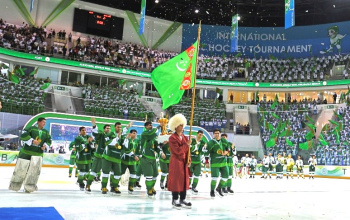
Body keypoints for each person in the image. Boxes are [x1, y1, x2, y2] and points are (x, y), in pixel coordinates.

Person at [9, 117, 51, 193]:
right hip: (26, 152)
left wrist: (45, 146)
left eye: (45, 122)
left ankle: (30, 187)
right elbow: (23, 136)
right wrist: (32, 141)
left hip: (38, 154)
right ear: (38, 122)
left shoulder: (46, 132)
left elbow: (49, 140)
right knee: (20, 169)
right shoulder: (31, 128)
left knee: (34, 172)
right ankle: (15, 185)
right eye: (43, 122)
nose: (44, 124)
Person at [167, 114, 192, 209]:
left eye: (182, 125)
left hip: (184, 162)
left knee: (184, 180)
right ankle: (175, 199)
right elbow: (177, 151)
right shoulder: (172, 138)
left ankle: (183, 198)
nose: (182, 127)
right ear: (175, 127)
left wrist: (189, 160)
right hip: (176, 161)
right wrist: (186, 144)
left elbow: (188, 152)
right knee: (176, 180)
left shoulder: (185, 137)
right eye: (180, 125)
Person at [85, 119, 111, 192]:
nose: (108, 130)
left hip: (107, 158)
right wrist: (94, 125)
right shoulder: (101, 134)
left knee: (106, 173)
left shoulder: (112, 136)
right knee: (93, 172)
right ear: (104, 129)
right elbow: (95, 133)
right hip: (99, 156)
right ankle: (88, 185)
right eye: (107, 128)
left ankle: (103, 187)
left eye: (109, 128)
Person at [140, 121, 160, 198]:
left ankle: (151, 187)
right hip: (146, 157)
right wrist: (158, 127)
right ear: (145, 127)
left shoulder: (153, 135)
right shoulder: (144, 134)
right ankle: (149, 189)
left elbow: (156, 145)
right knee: (149, 175)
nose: (150, 126)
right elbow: (150, 134)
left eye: (151, 125)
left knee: (155, 175)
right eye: (149, 125)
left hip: (153, 158)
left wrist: (162, 145)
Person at [206, 128, 229, 198]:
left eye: (218, 133)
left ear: (220, 134)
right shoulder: (210, 143)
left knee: (226, 176)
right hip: (215, 162)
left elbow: (228, 148)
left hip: (223, 161)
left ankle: (219, 188)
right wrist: (207, 162)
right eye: (215, 133)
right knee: (214, 177)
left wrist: (226, 151)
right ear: (213, 134)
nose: (217, 134)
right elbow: (206, 152)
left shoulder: (224, 141)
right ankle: (212, 191)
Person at [121, 129, 140, 194]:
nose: (135, 134)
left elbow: (138, 150)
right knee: (120, 173)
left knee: (133, 174)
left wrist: (139, 155)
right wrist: (134, 155)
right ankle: (114, 185)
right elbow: (126, 149)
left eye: (135, 133)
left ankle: (130, 186)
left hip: (133, 161)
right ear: (130, 134)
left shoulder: (137, 141)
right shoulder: (127, 140)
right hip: (125, 160)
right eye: (133, 133)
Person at [189, 130, 206, 194]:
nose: (200, 136)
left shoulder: (203, 142)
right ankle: (188, 186)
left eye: (201, 135)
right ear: (197, 134)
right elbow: (189, 149)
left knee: (197, 175)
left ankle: (194, 186)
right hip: (191, 160)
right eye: (199, 134)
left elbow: (202, 151)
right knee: (189, 174)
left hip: (198, 160)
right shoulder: (192, 140)